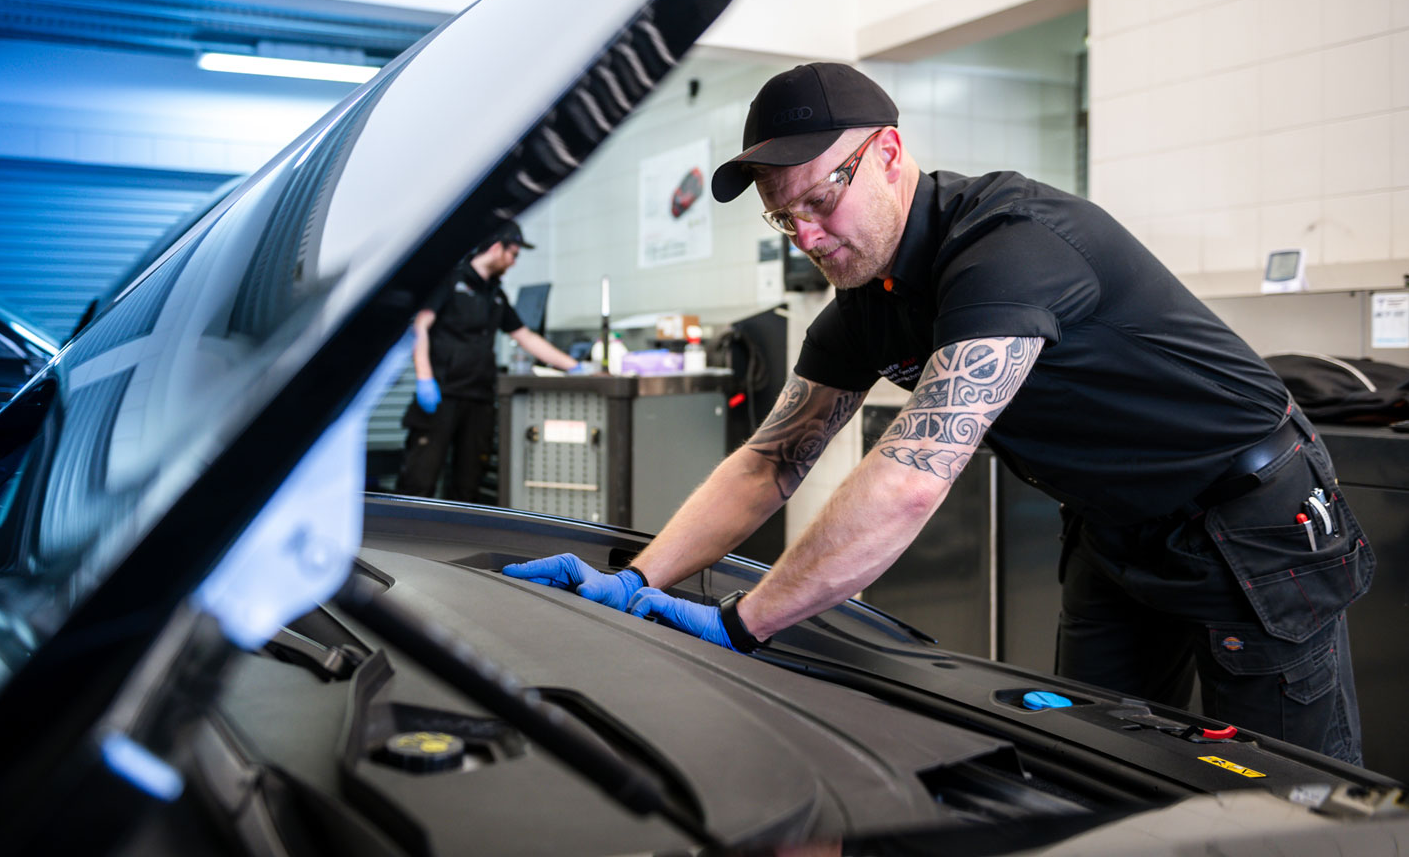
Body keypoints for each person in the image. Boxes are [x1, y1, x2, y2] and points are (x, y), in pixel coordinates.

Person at [504, 62, 1374, 765]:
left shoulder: (1008, 248)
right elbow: (770, 461)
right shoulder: (864, 304)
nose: (805, 235)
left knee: (1282, 796)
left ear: (886, 152)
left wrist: (742, 622)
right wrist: (639, 580)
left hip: (1251, 526)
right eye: (784, 219)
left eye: (819, 199)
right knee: (1094, 759)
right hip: (1115, 535)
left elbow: (911, 480)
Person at [398, 220, 577, 502]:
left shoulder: (495, 294)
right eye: (513, 254)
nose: (514, 262)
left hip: (479, 400)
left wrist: (574, 366)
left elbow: (526, 337)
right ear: (496, 247)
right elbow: (420, 327)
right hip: (441, 397)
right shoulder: (450, 281)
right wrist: (423, 377)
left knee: (468, 489)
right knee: (419, 483)